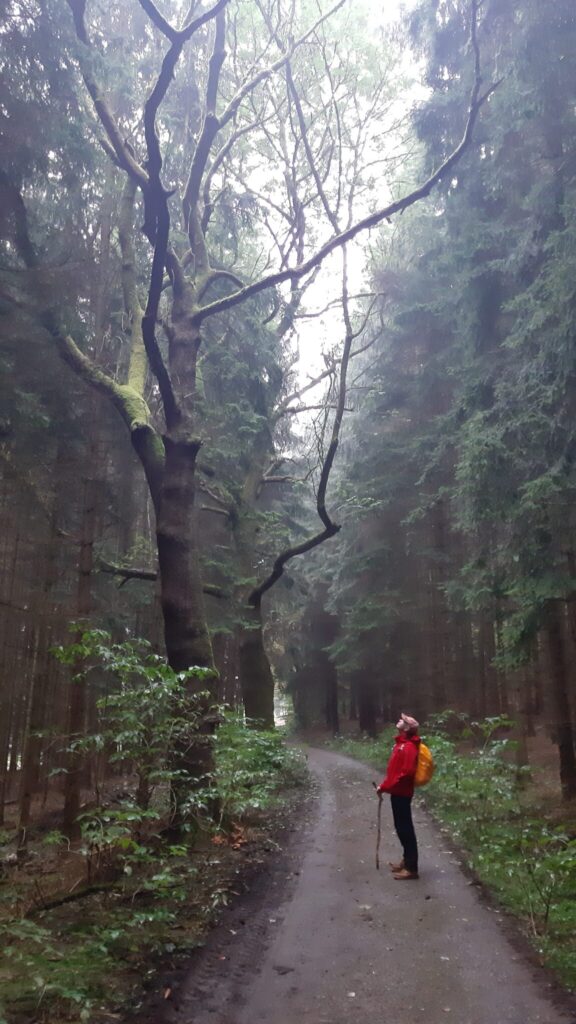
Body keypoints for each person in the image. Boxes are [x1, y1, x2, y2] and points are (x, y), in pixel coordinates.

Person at [376, 713, 420, 880]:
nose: (400, 720)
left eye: (403, 720)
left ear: (407, 728)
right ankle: (406, 860)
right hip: (397, 792)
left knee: (405, 829)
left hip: (402, 793)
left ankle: (411, 868)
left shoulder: (408, 747)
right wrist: (385, 786)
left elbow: (406, 773)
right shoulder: (401, 744)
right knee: (401, 828)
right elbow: (394, 772)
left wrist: (386, 787)